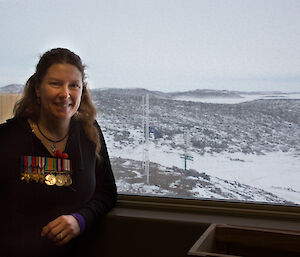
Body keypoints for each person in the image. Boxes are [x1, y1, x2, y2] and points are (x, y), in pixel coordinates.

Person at [0, 48, 117, 257]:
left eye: (74, 85)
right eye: (55, 84)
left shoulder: (90, 133)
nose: (65, 94)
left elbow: (106, 193)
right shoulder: (8, 137)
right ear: (37, 88)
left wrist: (80, 220)